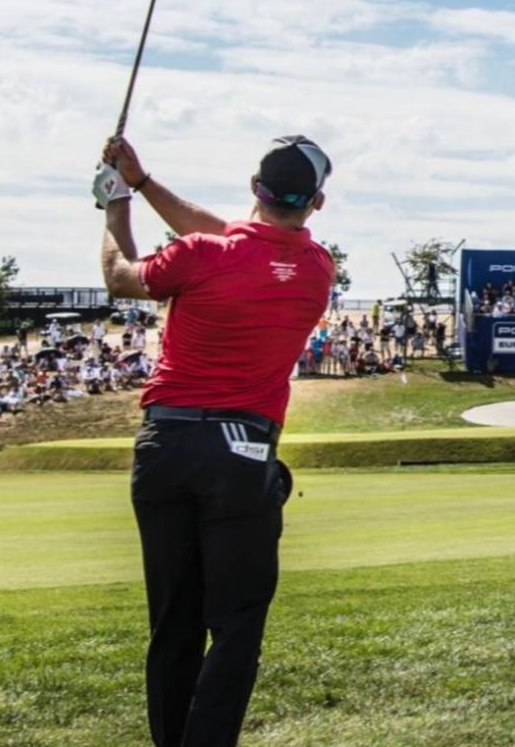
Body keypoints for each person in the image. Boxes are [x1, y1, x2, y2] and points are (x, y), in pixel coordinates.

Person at [96, 132, 334, 747]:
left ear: (255, 187)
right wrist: (141, 183)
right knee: (236, 623)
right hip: (242, 454)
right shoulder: (316, 268)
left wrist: (116, 202)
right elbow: (241, 238)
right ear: (317, 203)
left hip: (166, 448)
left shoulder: (202, 254)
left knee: (174, 621)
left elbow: (121, 276)